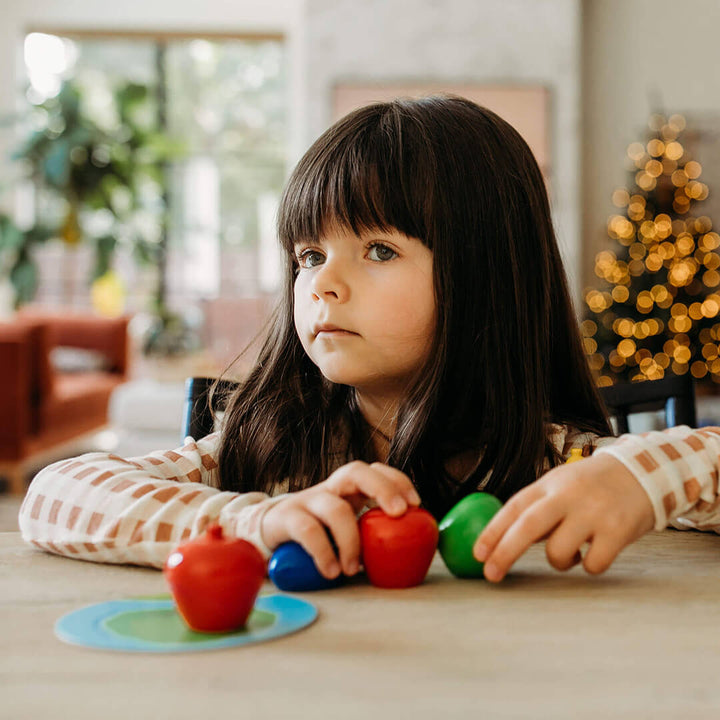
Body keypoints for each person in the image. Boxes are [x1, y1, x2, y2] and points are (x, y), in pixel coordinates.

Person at [18, 96, 720, 582]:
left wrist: (641, 477)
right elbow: (54, 497)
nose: (322, 285)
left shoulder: (552, 464)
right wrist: (254, 522)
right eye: (309, 256)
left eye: (379, 250)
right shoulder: (268, 449)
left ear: (485, 276)